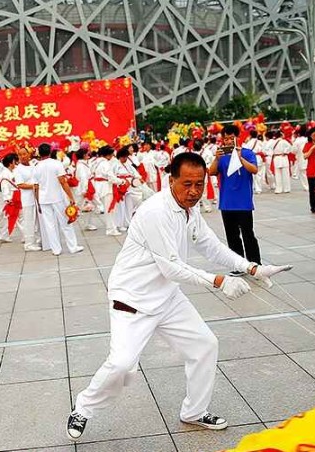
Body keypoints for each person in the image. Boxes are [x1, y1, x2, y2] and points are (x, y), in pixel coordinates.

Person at [66, 153, 290, 441]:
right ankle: (83, 407)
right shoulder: (155, 211)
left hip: (167, 297)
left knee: (205, 345)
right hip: (132, 300)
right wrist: (219, 281)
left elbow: (211, 246)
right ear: (170, 180)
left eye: (199, 184)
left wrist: (251, 268)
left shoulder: (189, 210)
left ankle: (194, 411)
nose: (194, 191)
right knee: (122, 364)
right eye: (187, 184)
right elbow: (171, 266)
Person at [208, 124, 261, 264]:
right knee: (232, 236)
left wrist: (239, 158)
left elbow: (254, 169)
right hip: (227, 203)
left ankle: (255, 263)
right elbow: (211, 172)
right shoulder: (222, 156)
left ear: (238, 138)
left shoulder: (248, 153)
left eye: (232, 138)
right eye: (226, 139)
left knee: (248, 234)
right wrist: (216, 159)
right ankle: (238, 265)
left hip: (244, 203)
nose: (229, 141)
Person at [33, 143, 84, 256]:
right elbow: (63, 181)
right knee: (65, 222)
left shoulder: (36, 167)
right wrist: (71, 197)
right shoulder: (56, 164)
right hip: (57, 198)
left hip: (43, 199)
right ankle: (73, 247)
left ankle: (56, 249)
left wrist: (38, 203)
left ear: (39, 153)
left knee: (49, 225)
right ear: (51, 152)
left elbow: (35, 187)